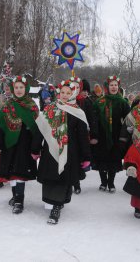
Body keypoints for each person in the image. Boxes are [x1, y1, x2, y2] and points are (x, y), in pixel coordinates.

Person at [31, 79, 91, 224]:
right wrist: (35, 148)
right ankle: (51, 201)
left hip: (70, 152)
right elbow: (41, 130)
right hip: (50, 150)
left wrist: (86, 156)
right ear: (58, 93)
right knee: (51, 176)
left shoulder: (78, 112)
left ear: (73, 93)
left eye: (68, 93)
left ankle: (56, 206)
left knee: (63, 177)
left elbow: (82, 136)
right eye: (62, 92)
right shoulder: (50, 108)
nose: (64, 95)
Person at [0, 76, 39, 214]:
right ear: (13, 89)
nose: (19, 90)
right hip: (10, 144)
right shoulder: (8, 105)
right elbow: (0, 126)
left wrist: (35, 147)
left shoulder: (32, 106)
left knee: (20, 173)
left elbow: (37, 129)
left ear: (26, 89)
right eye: (16, 87)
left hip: (24, 146)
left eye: (21, 87)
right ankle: (15, 196)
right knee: (12, 172)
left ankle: (19, 201)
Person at [93, 75, 130, 193]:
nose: (113, 87)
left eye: (115, 85)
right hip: (102, 135)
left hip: (116, 135)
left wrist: (126, 133)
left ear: (118, 87)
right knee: (102, 159)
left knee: (113, 159)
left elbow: (128, 119)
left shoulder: (122, 102)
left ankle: (111, 182)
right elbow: (94, 119)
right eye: (111, 85)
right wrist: (94, 134)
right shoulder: (100, 101)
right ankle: (103, 182)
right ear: (107, 87)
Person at [72, 77, 98, 194]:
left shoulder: (86, 102)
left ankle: (76, 182)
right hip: (68, 135)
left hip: (81, 135)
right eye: (73, 87)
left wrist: (94, 135)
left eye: (78, 87)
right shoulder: (66, 100)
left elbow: (92, 119)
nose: (76, 90)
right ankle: (70, 181)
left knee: (78, 159)